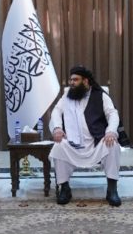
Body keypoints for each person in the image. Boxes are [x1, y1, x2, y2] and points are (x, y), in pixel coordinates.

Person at [50, 66, 121, 206]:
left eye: (75, 80)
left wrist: (111, 131)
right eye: (71, 80)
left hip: (96, 143)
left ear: (86, 81)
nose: (71, 83)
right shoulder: (67, 96)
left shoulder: (100, 95)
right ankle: (65, 188)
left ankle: (112, 189)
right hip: (73, 144)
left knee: (112, 145)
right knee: (59, 146)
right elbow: (56, 111)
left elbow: (113, 114)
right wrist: (57, 128)